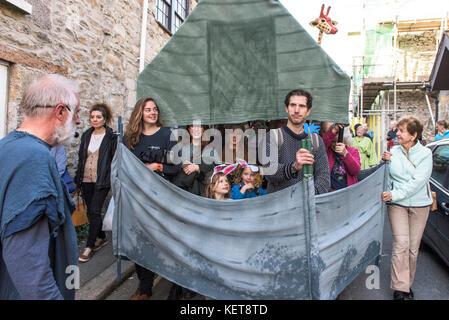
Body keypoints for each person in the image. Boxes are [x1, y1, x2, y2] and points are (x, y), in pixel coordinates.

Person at [0, 74, 80, 300]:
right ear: (61, 112)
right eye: (77, 113)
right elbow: (26, 261)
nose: (79, 121)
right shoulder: (34, 158)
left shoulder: (7, 146)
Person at [123, 97, 181, 300]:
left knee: (160, 241)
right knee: (139, 241)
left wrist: (156, 167)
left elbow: (175, 166)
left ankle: (174, 284)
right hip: (137, 196)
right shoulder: (130, 137)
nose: (153, 112)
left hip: (161, 197)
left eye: (155, 109)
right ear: (140, 112)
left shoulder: (167, 135)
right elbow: (123, 166)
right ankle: (145, 286)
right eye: (148, 109)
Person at [381, 116, 433, 300]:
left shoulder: (426, 154)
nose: (397, 133)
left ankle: (407, 283)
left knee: (412, 248)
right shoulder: (393, 151)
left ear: (414, 135)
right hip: (397, 205)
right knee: (401, 244)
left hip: (419, 204)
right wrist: (384, 161)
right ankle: (400, 288)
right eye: (398, 130)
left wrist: (394, 194)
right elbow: (386, 175)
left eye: (402, 131)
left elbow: (417, 183)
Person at [263, 89, 330, 195]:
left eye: (302, 106)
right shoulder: (272, 136)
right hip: (278, 206)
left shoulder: (316, 140)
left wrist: (308, 196)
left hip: (305, 207)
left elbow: (324, 178)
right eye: (293, 105)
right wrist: (294, 167)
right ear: (286, 108)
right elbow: (269, 172)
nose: (296, 110)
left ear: (308, 111)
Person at [75, 103, 117, 262]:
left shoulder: (111, 137)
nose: (95, 120)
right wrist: (78, 179)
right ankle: (101, 236)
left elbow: (114, 160)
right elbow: (81, 159)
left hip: (102, 180)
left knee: (94, 210)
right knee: (90, 212)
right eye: (92, 117)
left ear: (105, 119)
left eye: (98, 117)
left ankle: (89, 247)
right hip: (86, 179)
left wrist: (113, 178)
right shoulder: (86, 135)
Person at [172, 124, 216, 197]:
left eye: (199, 126)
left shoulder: (210, 149)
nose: (196, 129)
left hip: (202, 191)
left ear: (204, 130)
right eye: (193, 126)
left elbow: (215, 169)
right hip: (183, 190)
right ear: (189, 129)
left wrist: (197, 167)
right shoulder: (180, 147)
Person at [322, 124, 361, 191]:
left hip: (348, 192)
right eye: (333, 142)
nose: (336, 144)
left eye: (339, 142)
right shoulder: (327, 151)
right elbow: (322, 144)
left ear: (345, 141)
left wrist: (345, 154)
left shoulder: (353, 151)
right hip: (330, 193)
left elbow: (355, 171)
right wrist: (334, 131)